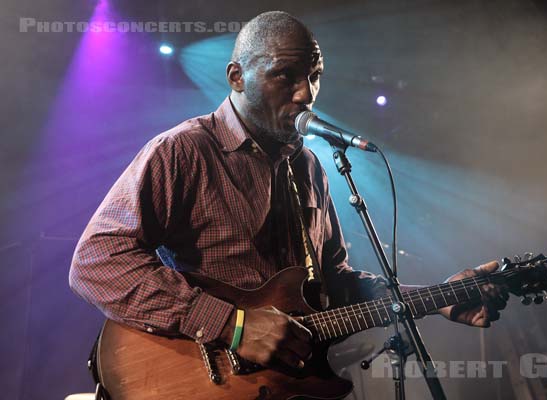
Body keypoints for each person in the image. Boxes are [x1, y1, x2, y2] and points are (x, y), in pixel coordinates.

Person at [69, 11, 507, 372]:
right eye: (285, 75)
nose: (306, 93)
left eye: (314, 75)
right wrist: (232, 326)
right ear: (237, 76)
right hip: (203, 378)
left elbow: (336, 285)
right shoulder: (185, 150)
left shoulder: (309, 166)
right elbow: (95, 262)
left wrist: (436, 298)